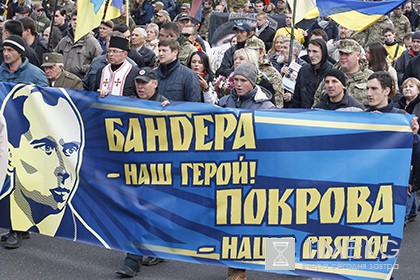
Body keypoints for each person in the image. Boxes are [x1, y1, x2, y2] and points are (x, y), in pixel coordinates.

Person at [0, 82, 83, 248]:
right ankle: (18, 228)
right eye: (47, 148)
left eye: (70, 149)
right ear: (11, 153)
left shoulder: (91, 228)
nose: (63, 170)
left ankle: (20, 229)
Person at [116, 67, 168, 277]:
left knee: (147, 212)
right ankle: (135, 257)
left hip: (158, 171)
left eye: (144, 82)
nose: (140, 86)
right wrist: (102, 100)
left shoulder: (166, 104)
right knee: (137, 212)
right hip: (135, 169)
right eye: (137, 82)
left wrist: (174, 110)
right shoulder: (129, 102)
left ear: (155, 84)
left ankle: (138, 257)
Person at [314, 39, 373, 106]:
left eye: (347, 54)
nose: (343, 57)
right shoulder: (331, 75)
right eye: (341, 54)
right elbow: (317, 98)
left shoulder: (370, 77)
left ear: (358, 56)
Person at [55, 10, 102, 79]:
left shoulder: (92, 42)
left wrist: (83, 69)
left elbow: (100, 63)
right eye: (74, 19)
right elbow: (55, 57)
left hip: (81, 81)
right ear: (70, 22)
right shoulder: (64, 41)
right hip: (63, 80)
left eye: (79, 20)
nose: (76, 22)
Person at [291, 39, 333, 108]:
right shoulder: (303, 70)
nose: (311, 55)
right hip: (303, 113)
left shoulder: (331, 71)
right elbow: (297, 98)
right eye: (309, 51)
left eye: (315, 52)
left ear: (323, 52)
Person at [245, 37, 285, 107]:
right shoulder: (241, 69)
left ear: (262, 53)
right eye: (248, 50)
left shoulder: (272, 73)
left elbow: (278, 101)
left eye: (254, 50)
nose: (250, 53)